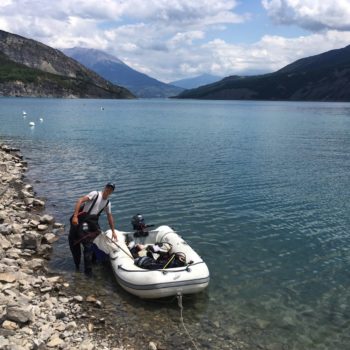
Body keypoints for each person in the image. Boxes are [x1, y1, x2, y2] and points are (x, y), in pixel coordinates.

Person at [68, 182, 117, 276]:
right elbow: (80, 200)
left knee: (89, 246)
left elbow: (110, 217)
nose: (108, 190)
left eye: (111, 189)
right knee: (74, 244)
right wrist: (75, 216)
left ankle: (88, 271)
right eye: (108, 187)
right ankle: (77, 267)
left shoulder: (107, 203)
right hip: (80, 221)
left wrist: (113, 231)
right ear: (105, 187)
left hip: (90, 224)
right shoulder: (95, 194)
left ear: (112, 192)